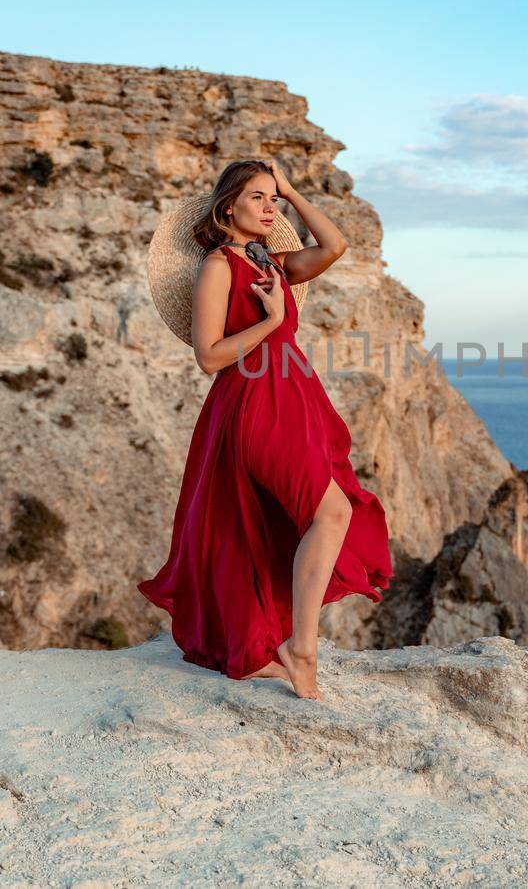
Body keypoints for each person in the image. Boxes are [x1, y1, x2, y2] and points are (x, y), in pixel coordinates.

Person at [137, 159, 393, 700]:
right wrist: (271, 322)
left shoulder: (271, 264)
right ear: (227, 206)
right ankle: (300, 648)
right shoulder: (218, 266)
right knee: (332, 512)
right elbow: (209, 357)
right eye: (258, 197)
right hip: (253, 400)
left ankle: (281, 643)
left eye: (271, 198)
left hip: (294, 397)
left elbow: (334, 247)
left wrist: (293, 190)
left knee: (303, 518)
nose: (269, 206)